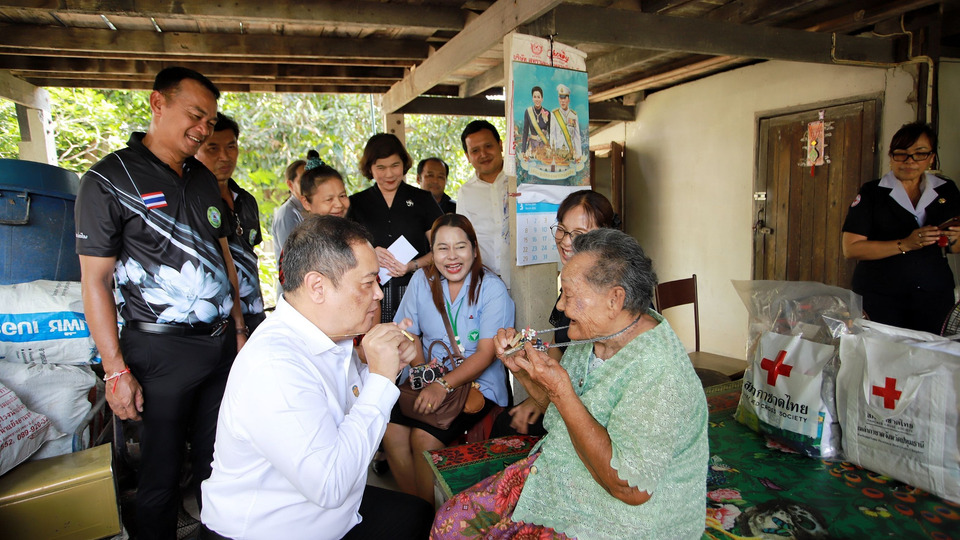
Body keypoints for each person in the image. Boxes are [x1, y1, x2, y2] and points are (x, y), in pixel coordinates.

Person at [432, 228, 709, 539]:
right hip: (563, 472)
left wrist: (562, 392)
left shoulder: (659, 370)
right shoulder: (594, 336)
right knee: (450, 521)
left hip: (618, 519)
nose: (561, 306)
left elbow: (629, 488)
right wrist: (523, 370)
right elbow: (557, 412)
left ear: (614, 299)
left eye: (569, 295)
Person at [75, 67, 246, 540]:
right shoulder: (109, 179)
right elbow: (95, 280)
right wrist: (115, 371)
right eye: (195, 115)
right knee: (161, 472)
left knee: (222, 461)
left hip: (219, 346)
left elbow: (223, 257)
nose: (203, 129)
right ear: (157, 103)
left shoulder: (202, 177)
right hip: (159, 351)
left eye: (210, 122)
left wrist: (237, 329)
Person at [200, 216, 434, 540]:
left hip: (332, 515)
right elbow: (330, 484)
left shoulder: (329, 336)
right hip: (268, 530)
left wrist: (385, 367)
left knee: (418, 515)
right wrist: (381, 379)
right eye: (368, 283)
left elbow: (349, 411)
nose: (379, 294)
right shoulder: (274, 365)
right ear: (317, 287)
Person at [383, 214, 515, 506]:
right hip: (430, 376)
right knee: (390, 430)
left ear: (474, 250)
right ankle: (417, 510)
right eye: (442, 248)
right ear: (432, 253)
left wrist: (442, 386)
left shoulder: (491, 288)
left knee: (423, 439)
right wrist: (422, 373)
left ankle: (433, 519)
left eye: (460, 247)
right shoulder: (422, 280)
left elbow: (486, 353)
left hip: (477, 386)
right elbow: (408, 332)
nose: (452, 256)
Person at [494, 190, 618, 437]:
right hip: (562, 398)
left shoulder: (611, 298)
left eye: (579, 234)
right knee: (505, 423)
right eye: (561, 229)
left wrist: (542, 398)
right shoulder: (571, 284)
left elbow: (597, 397)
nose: (565, 241)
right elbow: (556, 350)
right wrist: (524, 358)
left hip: (597, 413)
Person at [842, 122, 960, 334]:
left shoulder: (946, 190)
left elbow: (954, 247)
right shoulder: (873, 192)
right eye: (901, 154)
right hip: (880, 294)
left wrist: (955, 237)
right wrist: (905, 244)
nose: (910, 161)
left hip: (933, 294)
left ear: (931, 158)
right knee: (882, 351)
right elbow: (851, 248)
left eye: (920, 154)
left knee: (931, 351)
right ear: (891, 157)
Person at [347, 133, 443, 323]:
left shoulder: (423, 200)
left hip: (417, 289)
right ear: (370, 168)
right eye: (381, 167)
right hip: (370, 296)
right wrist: (368, 253)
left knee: (414, 338)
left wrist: (413, 265)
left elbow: (443, 249)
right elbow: (342, 253)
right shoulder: (356, 203)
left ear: (404, 164)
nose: (389, 174)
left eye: (395, 165)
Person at [196, 112, 266, 332]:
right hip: (217, 322)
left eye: (231, 147)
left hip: (253, 312)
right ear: (195, 150)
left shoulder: (246, 200)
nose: (224, 157)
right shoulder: (193, 203)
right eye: (213, 148)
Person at [457, 120, 512, 285]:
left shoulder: (520, 182)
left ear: (500, 145)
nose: (483, 154)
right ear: (467, 156)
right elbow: (462, 239)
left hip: (524, 279)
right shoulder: (465, 192)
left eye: (488, 146)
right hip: (484, 282)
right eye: (475, 150)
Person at [271, 154, 308, 267]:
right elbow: (291, 259)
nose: (309, 185)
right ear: (290, 185)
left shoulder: (309, 209)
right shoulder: (287, 214)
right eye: (303, 181)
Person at [549, 83, 582, 161]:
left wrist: (578, 155)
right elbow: (552, 135)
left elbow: (577, 137)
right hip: (559, 154)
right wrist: (554, 153)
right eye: (561, 98)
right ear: (558, 99)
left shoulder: (573, 115)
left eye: (565, 98)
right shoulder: (554, 114)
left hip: (570, 154)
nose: (563, 101)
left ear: (568, 100)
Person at [521, 85, 550, 156]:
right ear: (532, 98)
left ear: (542, 99)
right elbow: (525, 132)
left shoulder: (547, 113)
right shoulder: (528, 112)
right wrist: (523, 150)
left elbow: (551, 133)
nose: (537, 99)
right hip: (532, 146)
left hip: (544, 146)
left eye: (538, 97)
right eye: (535, 97)